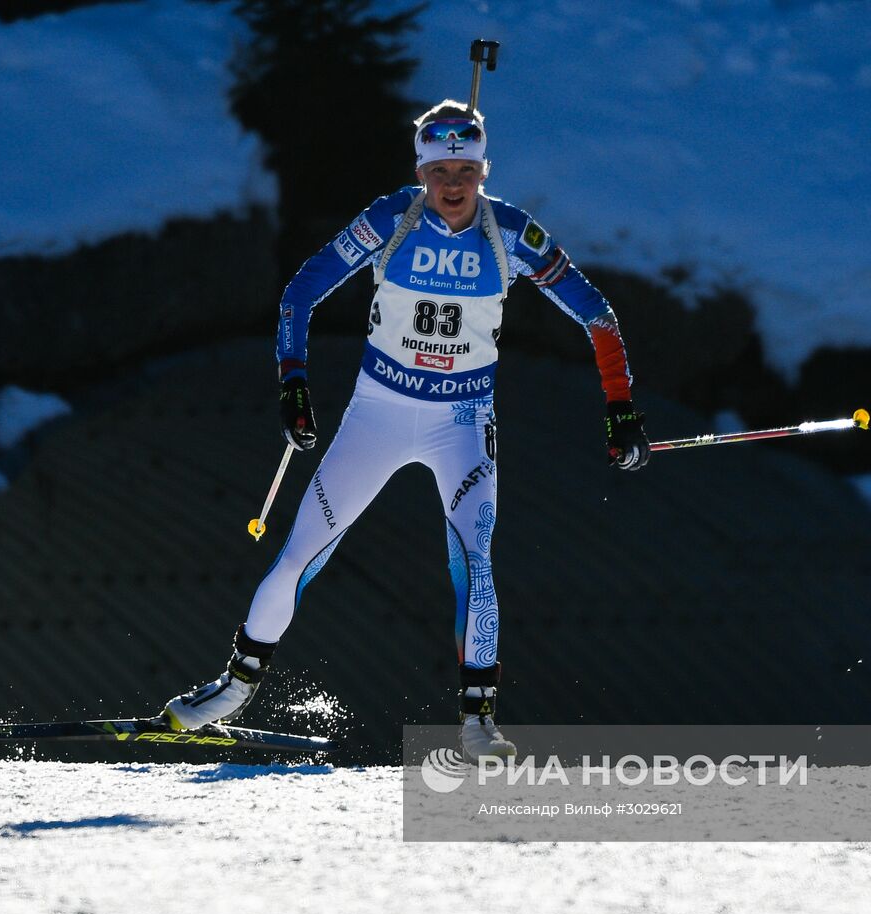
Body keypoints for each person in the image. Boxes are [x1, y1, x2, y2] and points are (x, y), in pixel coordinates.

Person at [162, 99, 650, 760]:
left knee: (476, 563)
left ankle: (478, 723)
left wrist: (619, 407)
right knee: (300, 551)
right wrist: (294, 381)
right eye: (440, 169)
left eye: (466, 169)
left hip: (463, 423)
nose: (453, 184)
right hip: (378, 414)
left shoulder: (511, 232)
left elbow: (596, 313)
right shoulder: (391, 220)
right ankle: (234, 686)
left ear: (483, 170)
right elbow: (302, 291)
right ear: (421, 171)